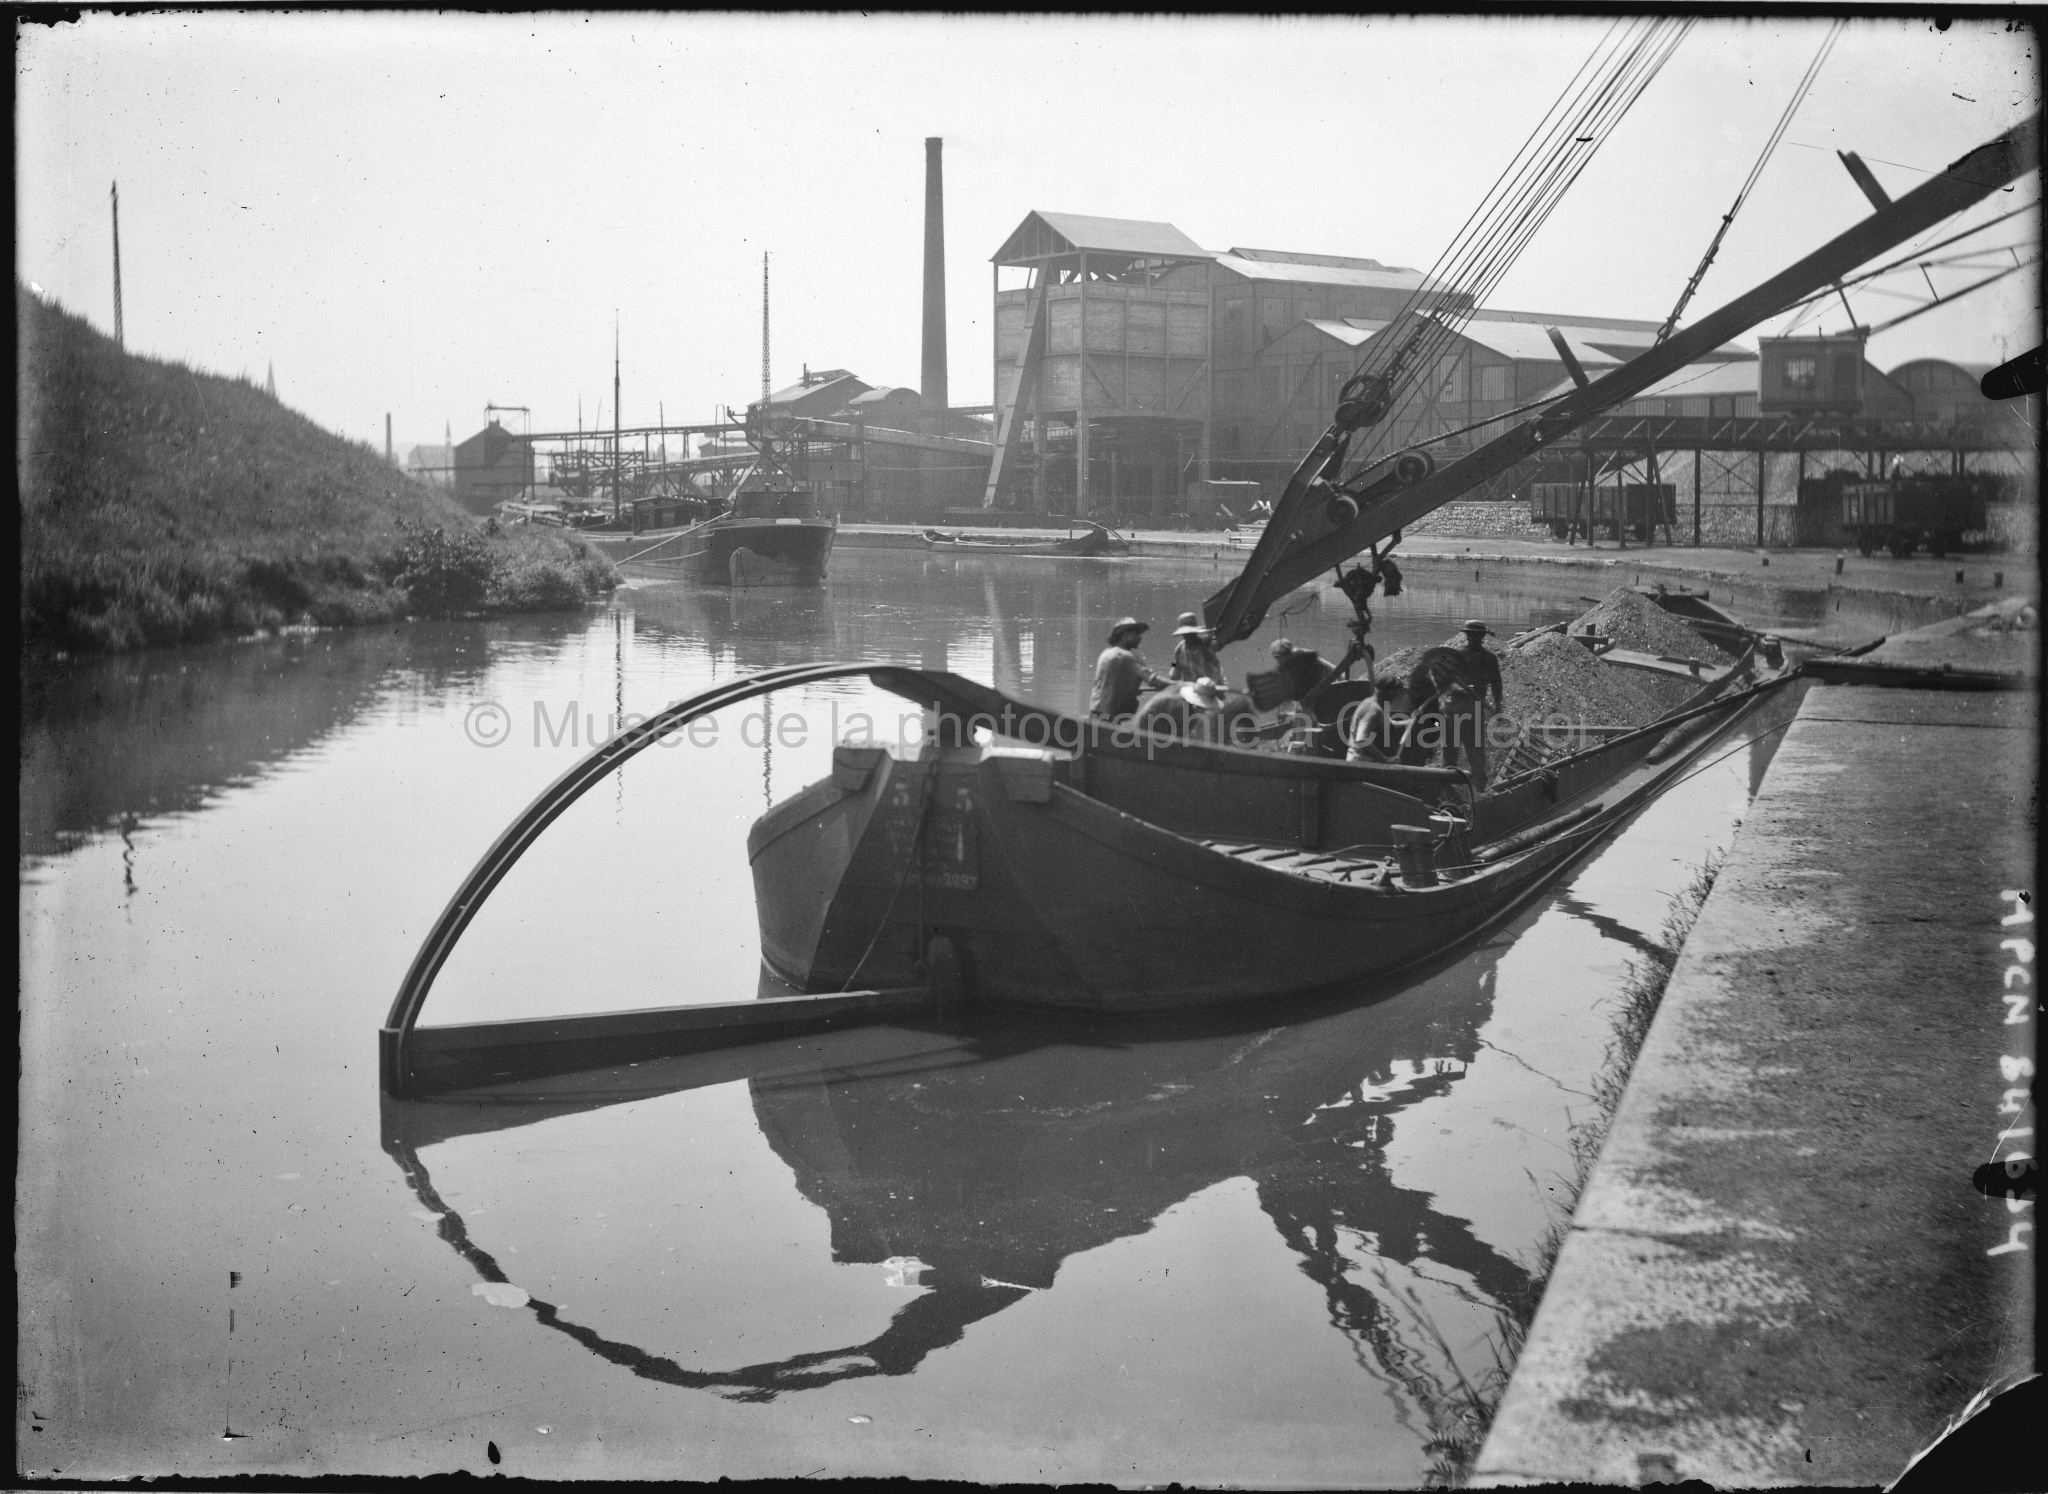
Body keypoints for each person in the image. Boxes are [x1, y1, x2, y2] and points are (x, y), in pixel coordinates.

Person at [1402, 620, 1505, 787]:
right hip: (1452, 709)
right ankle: (1447, 785)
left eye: (1476, 636)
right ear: (1466, 636)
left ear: (1482, 637)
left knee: (1476, 749)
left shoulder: (1490, 658)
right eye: (1470, 635)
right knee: (1450, 749)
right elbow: (1440, 681)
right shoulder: (1455, 655)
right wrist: (1454, 687)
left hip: (1474, 710)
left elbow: (1496, 684)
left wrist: (1498, 707)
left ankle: (1480, 785)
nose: (1473, 639)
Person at [1089, 616, 1169, 721]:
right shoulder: (1126, 657)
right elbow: (1153, 680)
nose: (1140, 638)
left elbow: (1112, 684)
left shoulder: (1105, 653)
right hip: (1111, 715)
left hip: (1095, 710)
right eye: (1136, 634)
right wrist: (1179, 685)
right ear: (1126, 635)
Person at [1343, 677, 1401, 763]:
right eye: (1395, 694)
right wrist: (1386, 759)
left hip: (1361, 761)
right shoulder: (1373, 709)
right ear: (1391, 693)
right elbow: (1362, 740)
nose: (1395, 698)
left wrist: (1410, 721)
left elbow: (1390, 723)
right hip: (1361, 763)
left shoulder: (1371, 703)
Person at [1168, 612, 1223, 685]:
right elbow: (1175, 666)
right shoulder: (1179, 649)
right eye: (1185, 634)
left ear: (1195, 633)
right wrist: (1173, 667)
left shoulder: (1206, 646)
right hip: (1190, 689)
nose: (1188, 637)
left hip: (1209, 688)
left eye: (1190, 634)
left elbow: (1217, 669)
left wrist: (1213, 684)